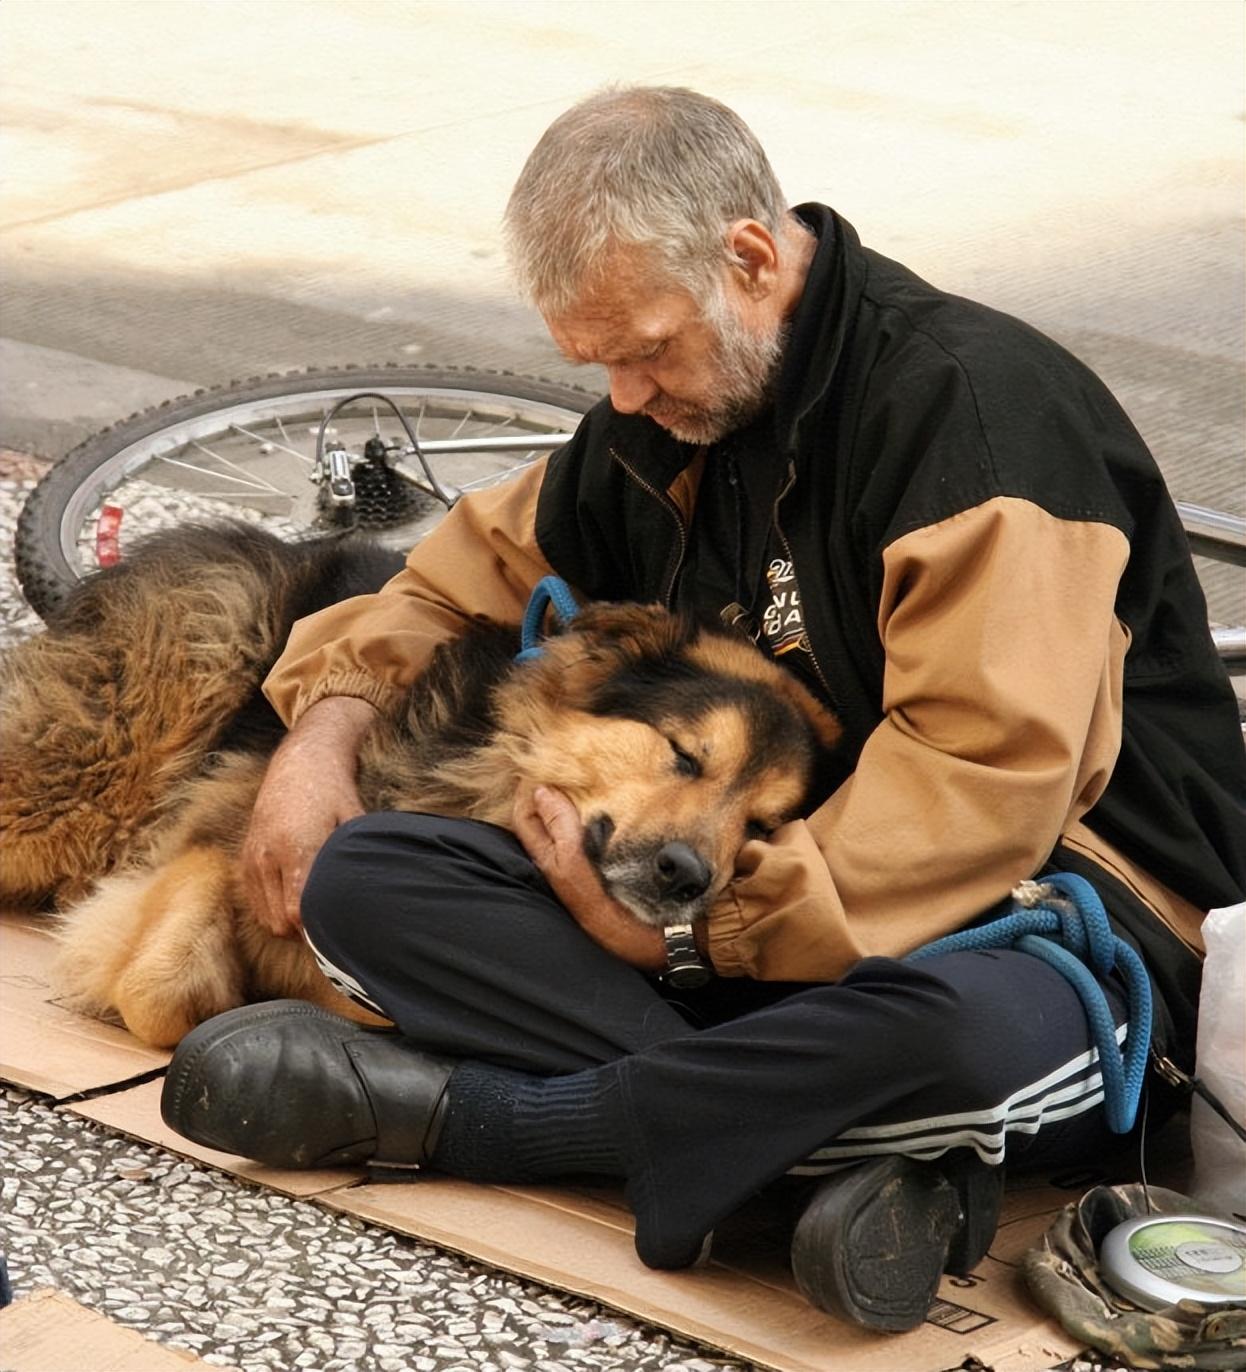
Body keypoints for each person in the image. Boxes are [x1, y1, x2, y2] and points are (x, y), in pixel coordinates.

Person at [161, 86, 1246, 1332]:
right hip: (766, 922)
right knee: (370, 876)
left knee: (948, 1044)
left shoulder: (972, 416)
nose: (622, 393)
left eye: (647, 347)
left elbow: (981, 784)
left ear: (748, 256)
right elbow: (448, 583)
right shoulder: (669, 418)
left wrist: (693, 943)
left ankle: (480, 1119)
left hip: (1056, 917)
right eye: (598, 362)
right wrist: (321, 734)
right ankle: (812, 1163)